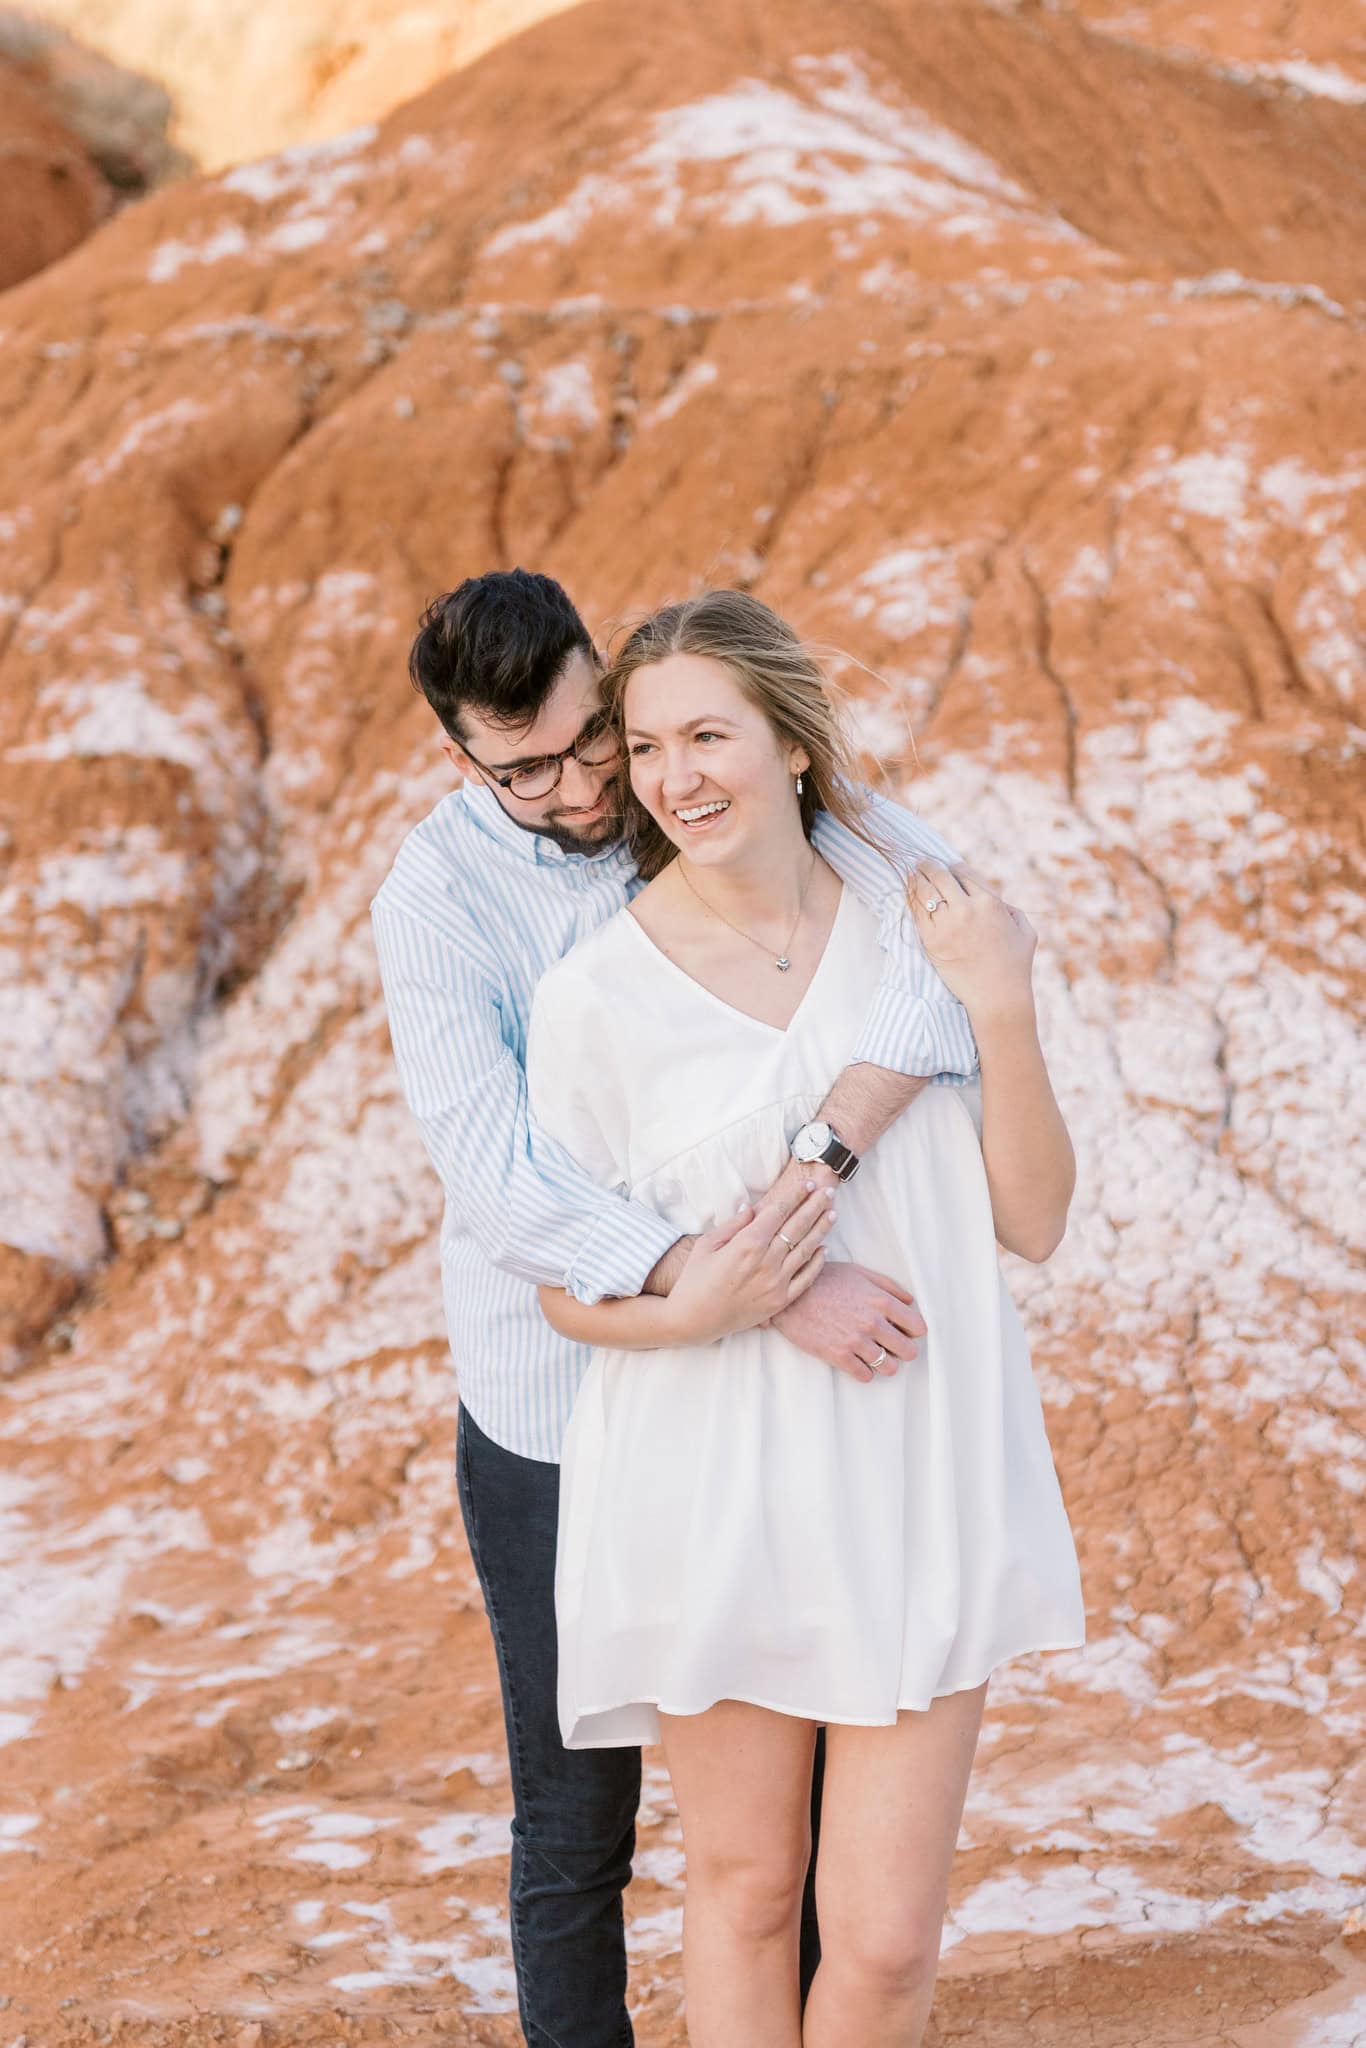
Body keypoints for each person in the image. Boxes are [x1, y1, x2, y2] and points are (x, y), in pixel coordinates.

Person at [371, 569, 986, 2046]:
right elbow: (503, 1182)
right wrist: (752, 1284)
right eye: (523, 770)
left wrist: (817, 1156)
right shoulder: (436, 900)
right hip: (560, 1407)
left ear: (608, 677)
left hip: (769, 1414)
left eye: (595, 742)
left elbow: (942, 933)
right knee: (580, 1825)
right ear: (464, 757)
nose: (584, 790)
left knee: (808, 1827)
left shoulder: (693, 774)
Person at [525, 589, 1085, 2046]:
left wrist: (1002, 1008)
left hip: (917, 1471)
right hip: (713, 1482)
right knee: (749, 1889)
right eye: (646, 747)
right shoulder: (597, 997)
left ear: (791, 743)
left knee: (889, 1941)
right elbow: (565, 1292)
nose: (675, 777)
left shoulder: (917, 944)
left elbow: (1028, 1220)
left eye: (707, 734)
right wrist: (748, 1296)